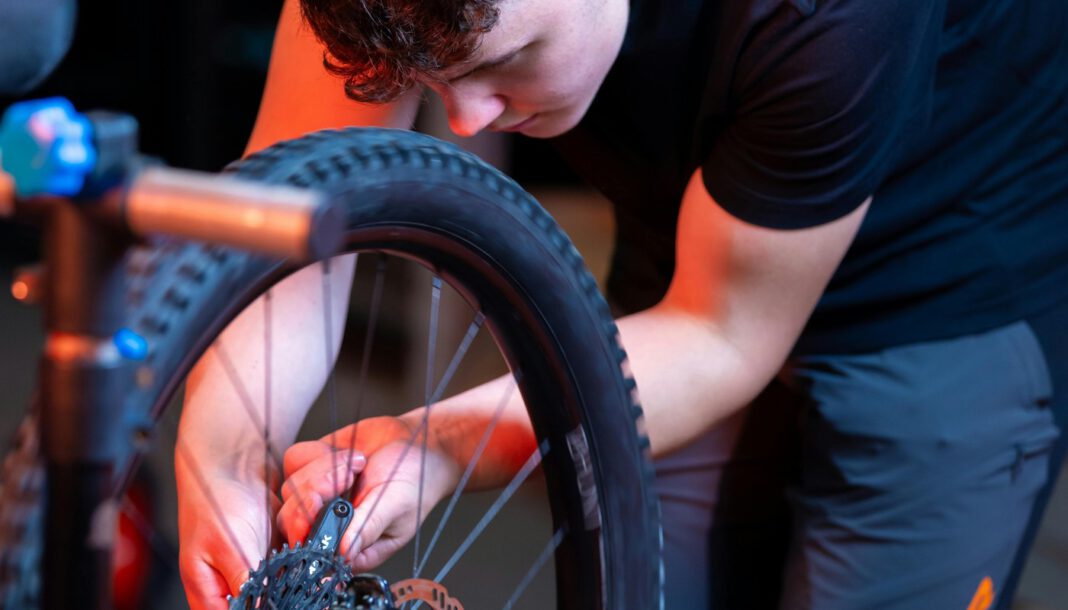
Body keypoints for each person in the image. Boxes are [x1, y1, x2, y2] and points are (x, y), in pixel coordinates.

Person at [176, 0, 1068, 608]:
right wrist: (220, 453)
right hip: (697, 234)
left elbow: (722, 335)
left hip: (950, 281)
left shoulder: (827, 18)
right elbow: (294, 223)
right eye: (431, 79)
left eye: (502, 66)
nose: (465, 121)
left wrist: (445, 443)